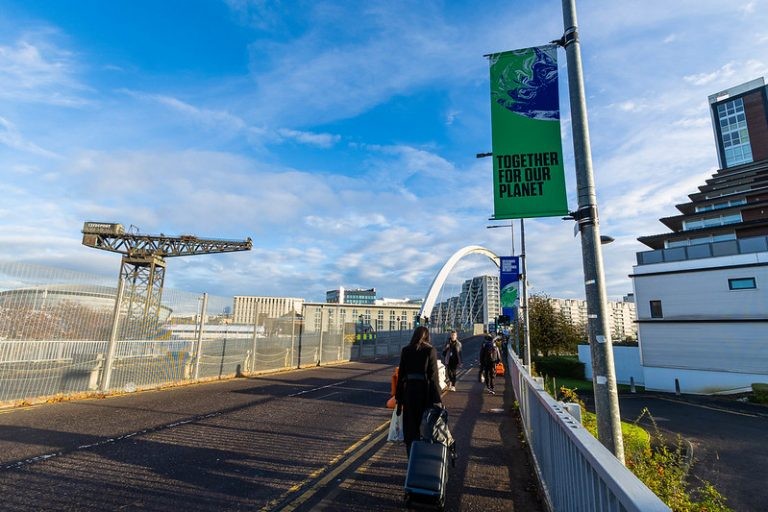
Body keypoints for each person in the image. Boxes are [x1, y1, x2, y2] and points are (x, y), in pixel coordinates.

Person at [395, 326, 443, 457]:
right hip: (425, 394)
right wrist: (438, 400)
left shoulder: (406, 350)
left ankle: (410, 457)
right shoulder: (430, 350)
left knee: (410, 429)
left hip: (409, 393)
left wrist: (399, 400)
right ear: (427, 337)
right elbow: (434, 378)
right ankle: (422, 460)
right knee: (425, 427)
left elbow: (401, 377)